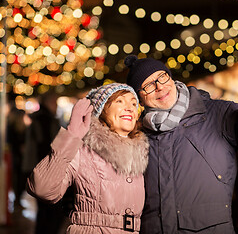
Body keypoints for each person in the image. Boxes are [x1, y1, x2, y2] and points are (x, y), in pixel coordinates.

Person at [124, 55, 238, 234]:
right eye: (148, 86)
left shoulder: (217, 114)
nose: (159, 87)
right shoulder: (134, 137)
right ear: (139, 98)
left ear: (171, 77)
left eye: (162, 77)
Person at [26, 83, 149, 233]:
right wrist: (71, 136)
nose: (130, 107)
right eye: (119, 101)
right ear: (102, 109)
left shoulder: (142, 155)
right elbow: (42, 189)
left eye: (134, 103)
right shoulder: (82, 151)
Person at [23, 91, 66, 234]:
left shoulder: (40, 118)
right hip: (45, 168)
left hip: (36, 167)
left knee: (44, 211)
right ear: (49, 102)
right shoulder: (45, 120)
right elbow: (46, 145)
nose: (56, 106)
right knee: (50, 211)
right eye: (55, 102)